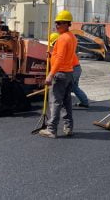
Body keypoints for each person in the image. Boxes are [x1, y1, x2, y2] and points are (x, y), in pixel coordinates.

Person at [39, 10, 77, 138]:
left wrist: (50, 74)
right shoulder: (72, 37)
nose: (57, 26)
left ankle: (51, 129)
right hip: (68, 74)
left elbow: (60, 58)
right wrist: (51, 55)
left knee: (55, 102)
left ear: (67, 24)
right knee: (66, 102)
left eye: (59, 23)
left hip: (60, 74)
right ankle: (68, 127)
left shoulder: (62, 38)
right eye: (56, 23)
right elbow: (64, 56)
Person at [49, 32, 89, 109]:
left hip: (73, 69)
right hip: (76, 68)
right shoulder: (64, 46)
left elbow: (60, 58)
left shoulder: (63, 47)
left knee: (71, 87)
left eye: (54, 43)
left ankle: (84, 102)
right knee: (74, 87)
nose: (54, 45)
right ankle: (83, 102)